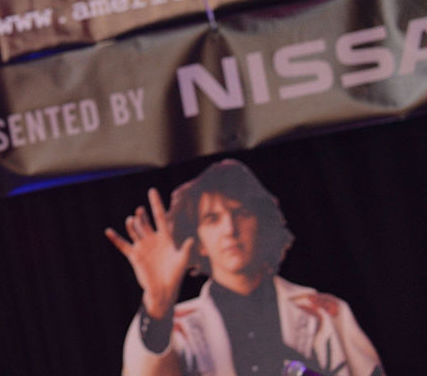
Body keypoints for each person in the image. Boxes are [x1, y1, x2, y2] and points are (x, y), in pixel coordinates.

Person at [105, 159, 383, 376]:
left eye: (242, 213)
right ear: (197, 241)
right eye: (213, 219)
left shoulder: (324, 313)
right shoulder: (178, 328)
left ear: (263, 224)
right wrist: (157, 304)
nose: (230, 229)